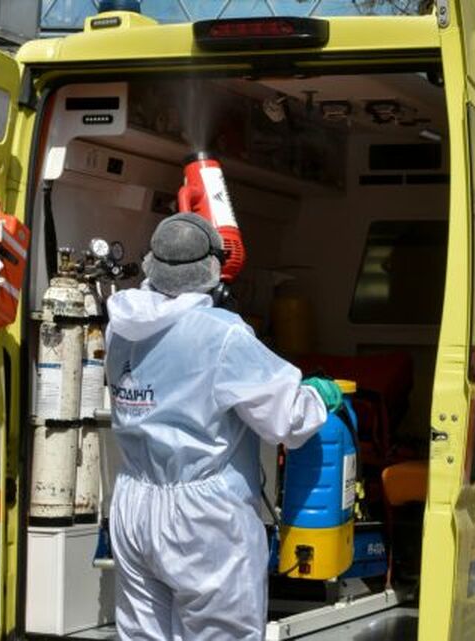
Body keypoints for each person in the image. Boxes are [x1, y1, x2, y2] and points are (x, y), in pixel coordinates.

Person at [105, 212, 341, 640]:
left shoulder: (120, 326)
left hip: (134, 504)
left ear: (151, 264)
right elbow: (287, 420)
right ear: (213, 270)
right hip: (202, 519)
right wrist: (318, 397)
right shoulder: (223, 335)